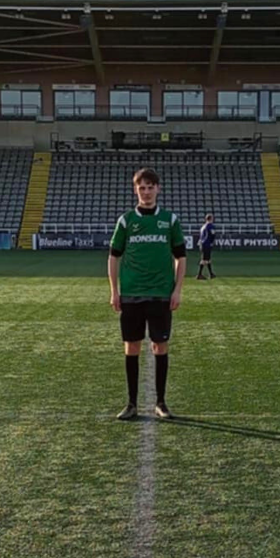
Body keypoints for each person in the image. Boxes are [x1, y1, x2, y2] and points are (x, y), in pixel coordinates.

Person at [109, 167, 187, 420]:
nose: (146, 192)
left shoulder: (170, 220)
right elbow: (113, 257)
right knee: (131, 347)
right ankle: (131, 403)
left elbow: (181, 257)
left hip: (161, 295)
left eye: (150, 186)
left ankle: (161, 403)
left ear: (158, 189)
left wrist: (177, 289)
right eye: (141, 187)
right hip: (131, 294)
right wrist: (114, 291)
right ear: (136, 190)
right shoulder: (126, 221)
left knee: (159, 346)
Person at [196, 213, 216, 280]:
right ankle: (199, 274)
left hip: (202, 243)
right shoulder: (210, 226)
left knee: (208, 259)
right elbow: (213, 234)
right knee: (204, 260)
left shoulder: (203, 226)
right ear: (211, 219)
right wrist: (212, 242)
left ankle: (211, 274)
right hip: (206, 244)